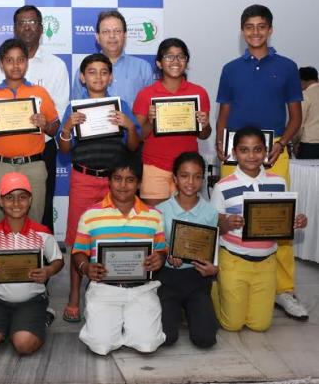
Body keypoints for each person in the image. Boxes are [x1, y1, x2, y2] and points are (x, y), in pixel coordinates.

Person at [215, 4, 306, 320]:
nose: (255, 32)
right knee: (229, 218)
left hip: (273, 153)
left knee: (278, 221)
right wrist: (220, 141)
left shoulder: (288, 66)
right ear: (242, 31)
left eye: (261, 26)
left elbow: (295, 117)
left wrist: (281, 143)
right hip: (234, 151)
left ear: (270, 29)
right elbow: (224, 112)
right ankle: (227, 279)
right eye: (249, 27)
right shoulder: (230, 69)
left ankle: (284, 290)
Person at [58, 53, 141, 323]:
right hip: (83, 179)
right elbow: (64, 150)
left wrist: (129, 126)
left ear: (111, 77)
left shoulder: (121, 106)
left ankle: (111, 288)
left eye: (104, 72)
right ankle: (74, 296)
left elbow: (133, 146)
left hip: (114, 183)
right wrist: (67, 128)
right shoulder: (74, 108)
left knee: (113, 234)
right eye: (92, 72)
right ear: (82, 78)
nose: (98, 77)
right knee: (79, 239)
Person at [212, 127, 307, 331]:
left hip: (266, 263)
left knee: (259, 325)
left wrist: (297, 220)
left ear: (266, 151)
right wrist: (227, 223)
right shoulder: (222, 186)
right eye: (244, 150)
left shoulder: (278, 182)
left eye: (257, 149)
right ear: (234, 153)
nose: (251, 156)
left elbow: (283, 217)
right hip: (234, 260)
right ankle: (215, 289)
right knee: (232, 325)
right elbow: (213, 224)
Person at [0, 5, 70, 233]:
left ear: (41, 28)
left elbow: (60, 112)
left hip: (41, 150)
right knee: (0, 208)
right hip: (4, 149)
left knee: (40, 209)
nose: (27, 27)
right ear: (14, 28)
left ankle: (39, 252)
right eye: (22, 22)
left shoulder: (56, 65)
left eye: (32, 22)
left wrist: (44, 123)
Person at [72, 155, 167, 355]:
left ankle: (127, 324)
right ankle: (115, 324)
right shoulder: (90, 215)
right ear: (109, 181)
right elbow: (78, 252)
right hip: (104, 289)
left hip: (141, 289)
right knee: (101, 345)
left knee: (148, 344)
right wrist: (85, 267)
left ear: (139, 183)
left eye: (130, 180)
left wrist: (160, 258)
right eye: (117, 178)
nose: (123, 185)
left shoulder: (154, 216)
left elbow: (161, 250)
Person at [0, 172, 64, 355]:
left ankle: (40, 318)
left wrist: (48, 271)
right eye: (9, 198)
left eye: (22, 197)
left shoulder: (42, 233)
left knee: (23, 345)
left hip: (31, 300)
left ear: (30, 200)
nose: (16, 203)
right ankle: (11, 325)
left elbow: (58, 261)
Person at [0, 38, 60, 225]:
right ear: (1, 64)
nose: (15, 65)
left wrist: (45, 124)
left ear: (27, 63)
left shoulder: (40, 93)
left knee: (34, 221)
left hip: (33, 165)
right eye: (9, 60)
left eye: (20, 60)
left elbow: (55, 129)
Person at [133, 38, 211, 206]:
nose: (175, 61)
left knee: (185, 219)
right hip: (155, 166)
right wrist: (150, 122)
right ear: (159, 63)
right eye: (169, 56)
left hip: (188, 169)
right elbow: (138, 136)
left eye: (181, 56)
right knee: (155, 218)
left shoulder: (199, 93)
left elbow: (204, 135)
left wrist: (205, 125)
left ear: (186, 62)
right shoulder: (146, 94)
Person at [156, 152, 218, 348]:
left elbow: (214, 249)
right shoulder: (160, 210)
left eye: (197, 176)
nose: (190, 182)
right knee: (166, 338)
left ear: (203, 180)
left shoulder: (211, 212)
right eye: (184, 176)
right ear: (175, 178)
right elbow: (156, 246)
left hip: (197, 278)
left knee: (205, 339)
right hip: (168, 278)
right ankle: (178, 310)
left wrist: (214, 269)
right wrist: (166, 252)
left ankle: (192, 310)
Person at [71, 10, 153, 106]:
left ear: (125, 35)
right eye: (106, 32)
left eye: (117, 31)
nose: (112, 36)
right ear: (97, 37)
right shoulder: (84, 71)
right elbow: (77, 108)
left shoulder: (143, 68)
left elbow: (149, 108)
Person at [294, 66, 319, 159]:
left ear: (301, 81)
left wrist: (295, 143)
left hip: (310, 146)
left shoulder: (305, 95)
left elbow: (298, 123)